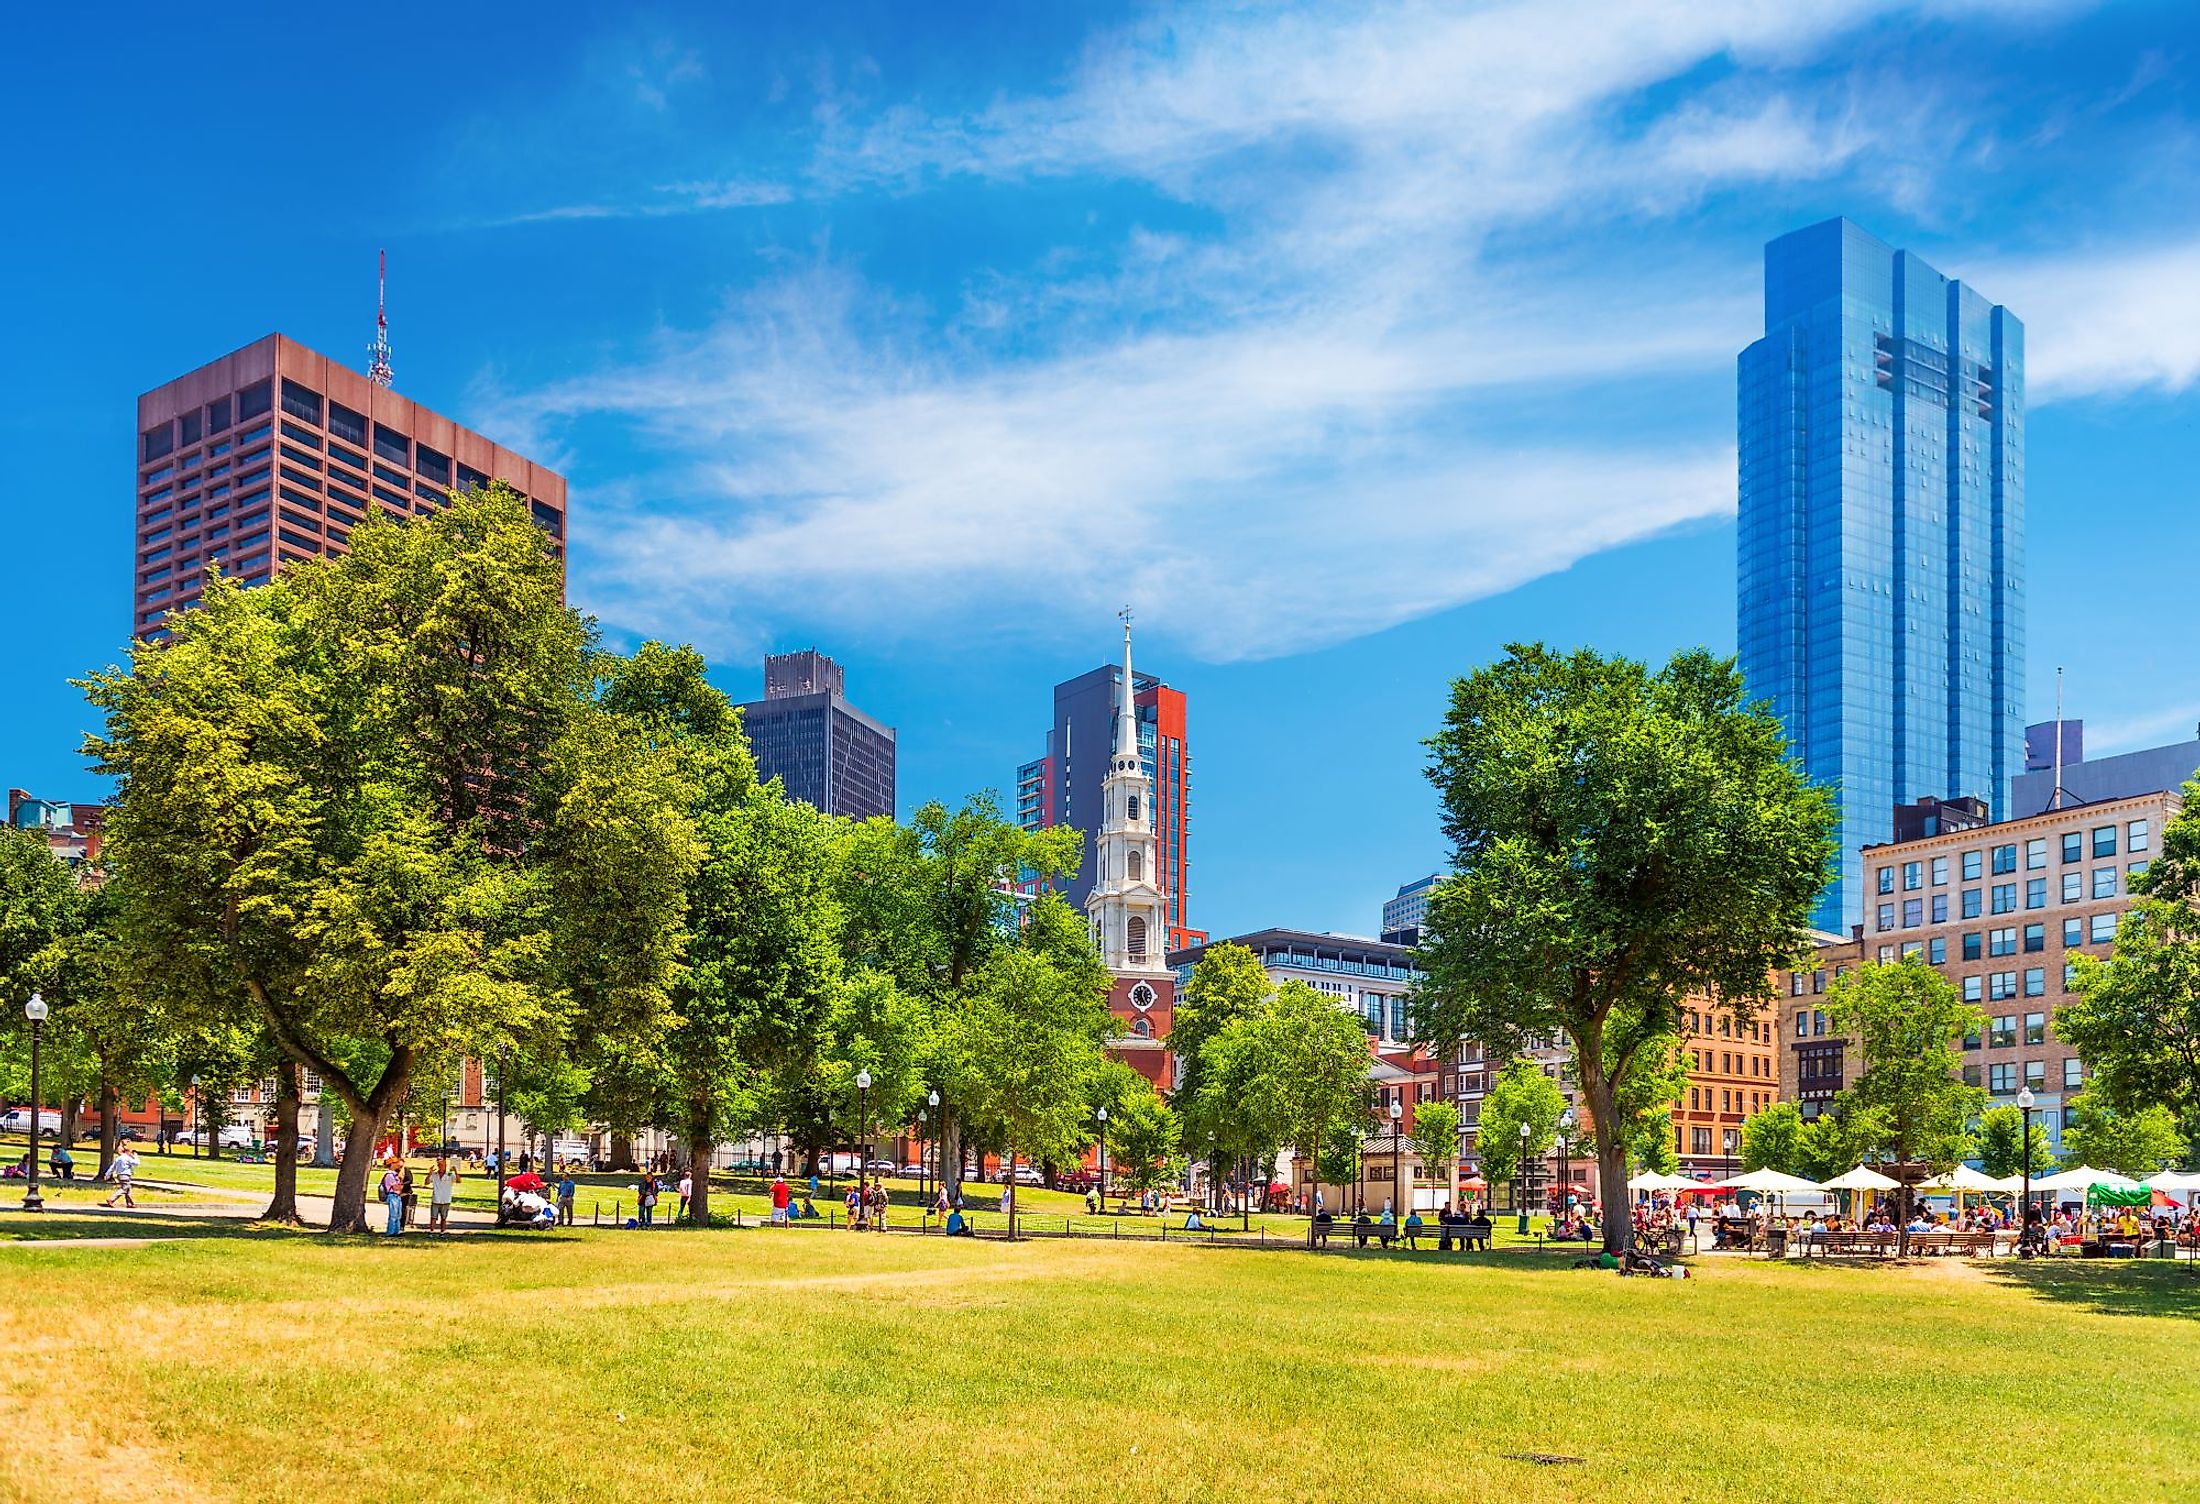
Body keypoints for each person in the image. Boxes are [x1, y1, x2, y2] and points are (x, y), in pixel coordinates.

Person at [101, 1144, 140, 1209]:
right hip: (125, 1175)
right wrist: (136, 1156)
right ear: (127, 1152)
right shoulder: (127, 1158)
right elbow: (137, 1163)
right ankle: (111, 1199)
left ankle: (130, 1203)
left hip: (119, 1175)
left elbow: (112, 1167)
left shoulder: (118, 1158)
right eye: (131, 1152)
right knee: (124, 1188)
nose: (131, 1153)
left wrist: (107, 1175)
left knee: (128, 1189)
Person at [428, 1156, 458, 1234]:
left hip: (446, 1199)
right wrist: (429, 1173)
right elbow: (426, 1182)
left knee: (444, 1217)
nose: (440, 1167)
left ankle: (442, 1232)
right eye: (439, 1165)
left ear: (445, 1166)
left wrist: (456, 1172)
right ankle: (431, 1232)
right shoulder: (434, 1174)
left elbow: (458, 1180)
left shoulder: (450, 1174)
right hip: (436, 1199)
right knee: (433, 1217)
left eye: (442, 1165)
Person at [380, 1162, 405, 1236]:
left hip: (397, 1196)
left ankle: (396, 1231)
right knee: (393, 1215)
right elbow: (396, 1187)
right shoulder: (390, 1175)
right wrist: (401, 1185)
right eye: (396, 1163)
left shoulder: (395, 1175)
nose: (398, 1165)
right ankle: (390, 1232)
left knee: (398, 1215)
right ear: (391, 1164)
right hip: (392, 1195)